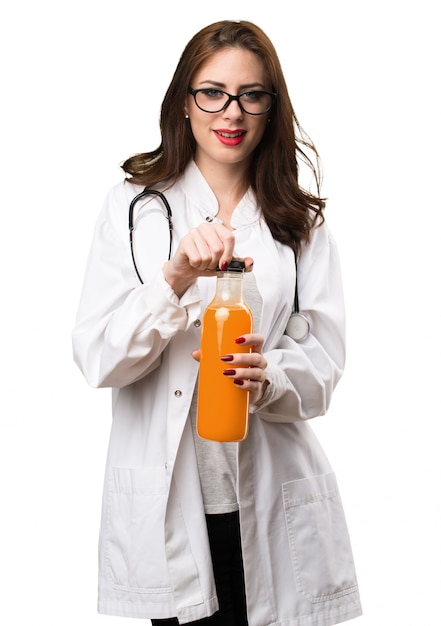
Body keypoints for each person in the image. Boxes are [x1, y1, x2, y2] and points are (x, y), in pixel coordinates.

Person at [72, 19, 362, 626]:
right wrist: (173, 279)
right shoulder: (134, 207)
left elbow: (325, 369)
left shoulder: (299, 223)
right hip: (174, 502)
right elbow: (99, 357)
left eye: (252, 94)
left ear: (270, 108)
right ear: (185, 100)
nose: (231, 112)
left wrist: (271, 376)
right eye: (213, 92)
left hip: (270, 496)